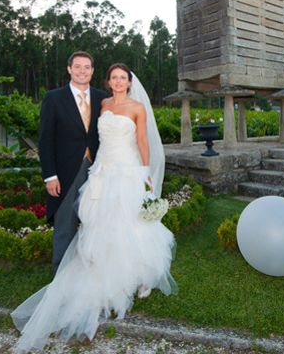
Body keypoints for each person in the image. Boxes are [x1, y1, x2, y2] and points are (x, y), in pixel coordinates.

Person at [12, 63, 177, 352]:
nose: (118, 81)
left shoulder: (137, 107)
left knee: (129, 224)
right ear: (108, 81)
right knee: (97, 224)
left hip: (126, 170)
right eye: (113, 77)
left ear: (129, 81)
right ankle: (98, 271)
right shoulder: (102, 102)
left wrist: (145, 173)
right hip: (101, 170)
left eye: (122, 77)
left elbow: (141, 141)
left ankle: (137, 275)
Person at [38, 51, 108, 272]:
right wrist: (50, 175)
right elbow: (45, 139)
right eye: (77, 66)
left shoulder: (102, 98)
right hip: (66, 170)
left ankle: (91, 271)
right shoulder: (54, 98)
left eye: (87, 67)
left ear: (92, 71)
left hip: (97, 168)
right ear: (69, 69)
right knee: (65, 222)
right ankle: (61, 275)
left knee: (95, 222)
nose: (82, 71)